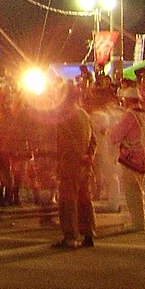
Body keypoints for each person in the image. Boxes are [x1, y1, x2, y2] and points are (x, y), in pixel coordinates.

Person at [54, 86, 96, 248]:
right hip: (85, 164)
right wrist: (89, 156)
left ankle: (70, 235)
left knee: (68, 200)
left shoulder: (65, 117)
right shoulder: (84, 115)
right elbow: (93, 140)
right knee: (85, 199)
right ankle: (88, 233)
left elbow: (66, 142)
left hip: (71, 164)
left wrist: (78, 157)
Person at [108, 86, 145, 232]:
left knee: (132, 192)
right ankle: (139, 220)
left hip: (130, 159)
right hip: (143, 158)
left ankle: (137, 223)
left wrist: (109, 131)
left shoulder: (130, 116)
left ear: (127, 100)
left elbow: (115, 135)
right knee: (138, 190)